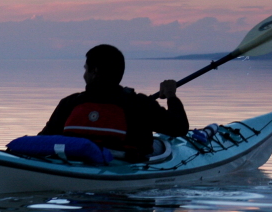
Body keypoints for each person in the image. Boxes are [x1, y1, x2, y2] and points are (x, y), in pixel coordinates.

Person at [39, 44, 189, 162]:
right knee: (162, 144)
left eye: (85, 69)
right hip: (127, 168)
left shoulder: (69, 103)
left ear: (94, 71)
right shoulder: (139, 103)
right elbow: (179, 128)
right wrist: (171, 95)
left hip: (74, 165)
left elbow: (43, 140)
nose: (84, 74)